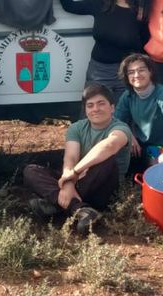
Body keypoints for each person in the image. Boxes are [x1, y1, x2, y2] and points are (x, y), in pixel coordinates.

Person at [22, 83, 131, 234]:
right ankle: (81, 209)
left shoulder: (121, 128)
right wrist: (68, 183)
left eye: (101, 104)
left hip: (103, 186)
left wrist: (74, 174)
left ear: (112, 108)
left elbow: (108, 146)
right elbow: (71, 156)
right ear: (85, 110)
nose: (95, 109)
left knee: (107, 160)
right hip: (78, 181)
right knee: (31, 171)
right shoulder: (77, 127)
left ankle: (56, 206)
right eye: (90, 105)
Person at [54, 0, 144, 100]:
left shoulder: (140, 10)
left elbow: (145, 43)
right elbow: (70, 6)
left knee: (124, 117)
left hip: (128, 73)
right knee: (93, 113)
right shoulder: (100, 3)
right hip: (98, 71)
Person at [113, 53, 163, 168]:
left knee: (156, 168)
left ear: (150, 71)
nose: (136, 75)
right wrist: (128, 135)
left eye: (141, 70)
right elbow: (116, 121)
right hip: (140, 145)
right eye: (131, 72)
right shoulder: (128, 95)